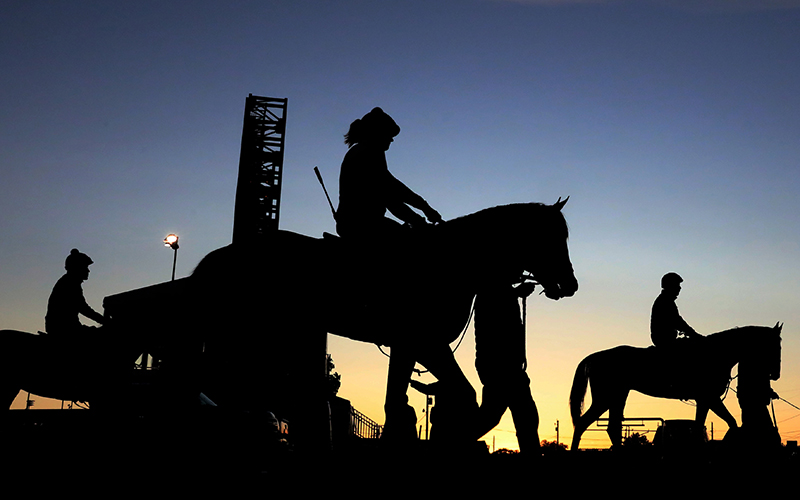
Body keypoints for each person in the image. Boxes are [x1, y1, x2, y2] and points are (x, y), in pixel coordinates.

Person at [335, 107, 442, 240]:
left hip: (358, 223)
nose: (391, 140)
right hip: (362, 225)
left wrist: (424, 208)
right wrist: (419, 218)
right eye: (389, 134)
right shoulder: (367, 153)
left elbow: (393, 187)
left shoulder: (365, 151)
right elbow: (389, 197)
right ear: (377, 133)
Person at [473, 280, 541, 454]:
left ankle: (453, 443)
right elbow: (493, 304)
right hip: (500, 367)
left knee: (513, 416)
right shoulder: (491, 291)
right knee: (500, 416)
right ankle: (453, 444)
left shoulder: (498, 291)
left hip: (505, 367)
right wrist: (516, 293)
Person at [45, 248, 105, 343]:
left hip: (62, 327)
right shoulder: (70, 283)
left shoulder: (68, 282)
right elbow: (83, 308)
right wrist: (104, 320)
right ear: (78, 267)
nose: (88, 271)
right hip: (64, 329)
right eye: (85, 267)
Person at [650, 272, 701, 347]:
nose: (680, 288)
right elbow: (677, 321)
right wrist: (694, 334)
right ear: (670, 285)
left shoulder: (665, 300)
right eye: (677, 285)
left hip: (664, 339)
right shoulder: (665, 301)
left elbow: (677, 321)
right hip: (665, 341)